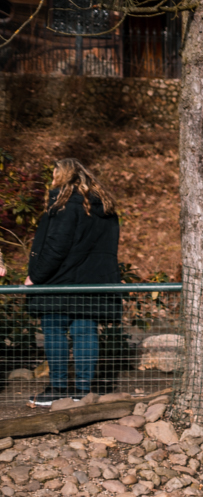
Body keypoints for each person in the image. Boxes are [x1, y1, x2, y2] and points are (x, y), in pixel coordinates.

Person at [26, 158, 122, 407]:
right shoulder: (105, 209)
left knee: (54, 330)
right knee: (85, 333)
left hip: (60, 281)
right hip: (93, 283)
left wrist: (34, 277)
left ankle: (58, 388)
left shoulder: (65, 206)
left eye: (54, 174)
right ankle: (82, 392)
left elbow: (56, 247)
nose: (52, 178)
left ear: (63, 176)